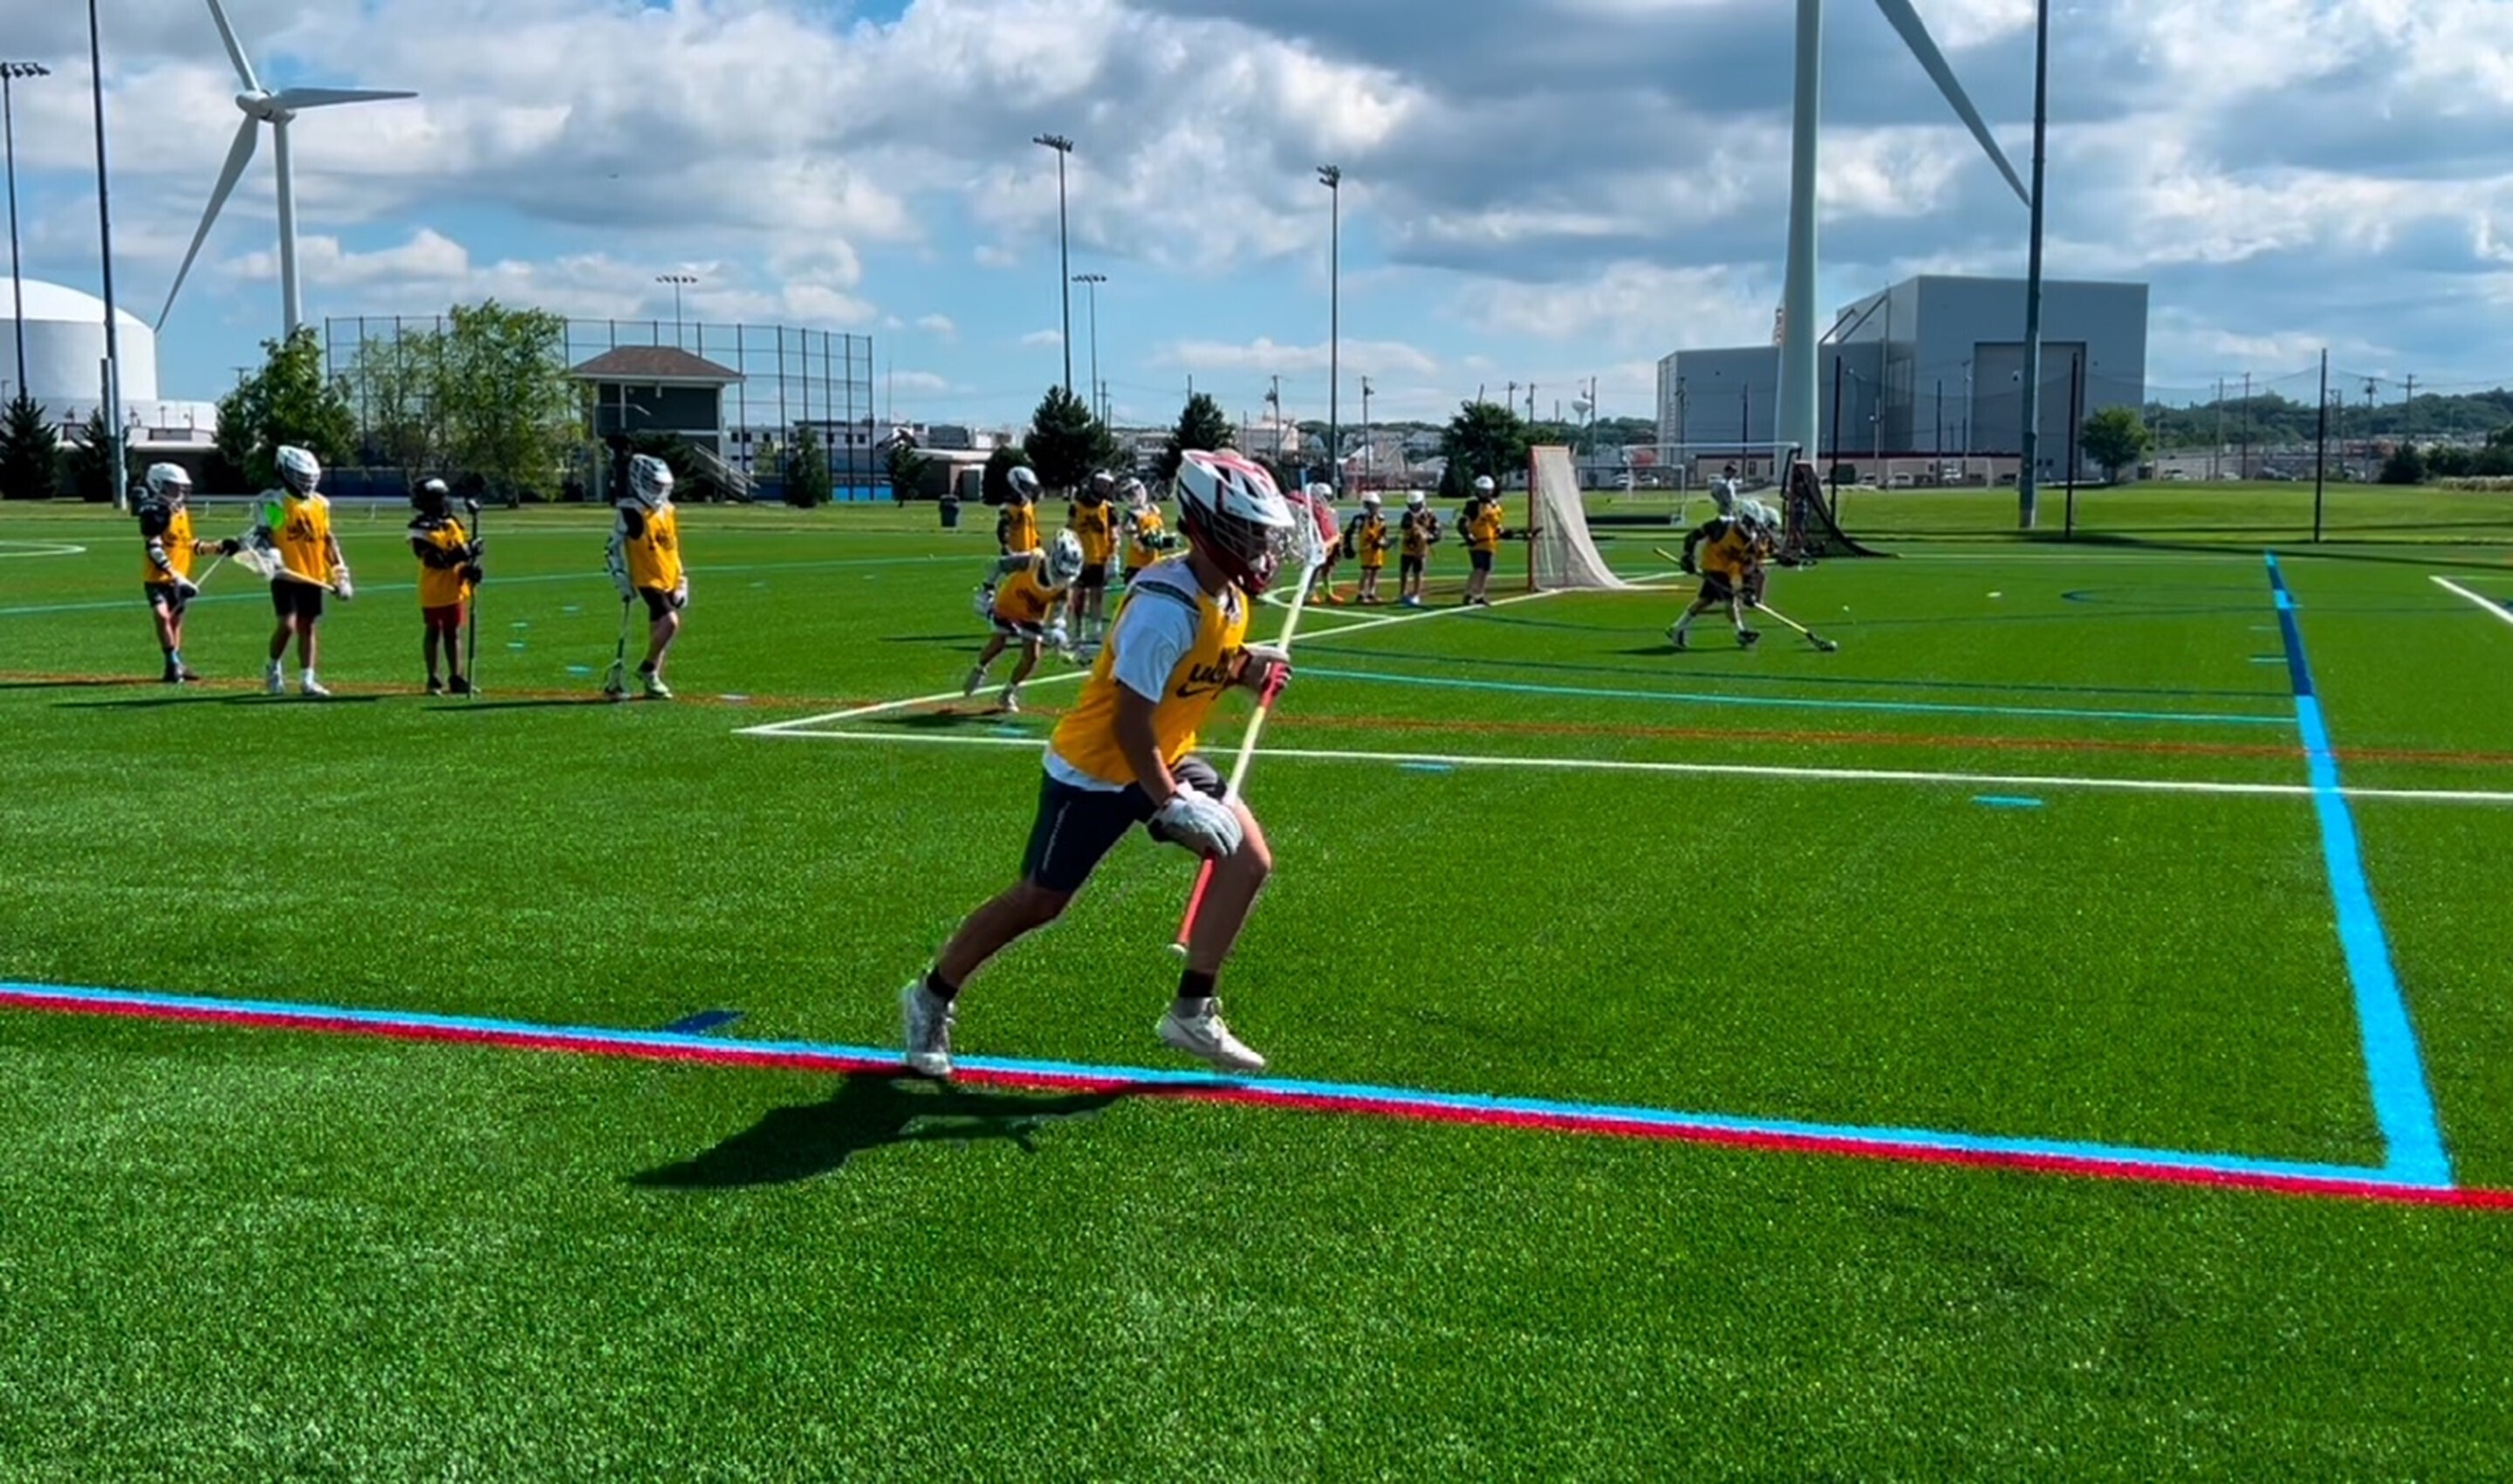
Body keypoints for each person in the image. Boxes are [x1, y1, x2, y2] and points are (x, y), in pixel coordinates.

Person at [901, 448, 1298, 1079]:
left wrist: (1247, 667)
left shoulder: (1226, 598)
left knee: (1249, 859)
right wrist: (1171, 804)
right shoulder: (1165, 608)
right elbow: (1128, 720)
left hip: (1164, 756)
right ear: (1206, 526)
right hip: (1098, 768)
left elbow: (1201, 669)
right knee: (1040, 900)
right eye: (1247, 532)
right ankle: (930, 994)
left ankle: (1192, 1009)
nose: (1259, 547)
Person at [254, 446, 352, 698]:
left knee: (307, 626)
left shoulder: (320, 504)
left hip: (313, 575)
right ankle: (273, 667)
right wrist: (272, 554)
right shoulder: (275, 502)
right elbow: (264, 535)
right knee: (287, 625)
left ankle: (308, 680)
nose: (307, 482)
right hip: (286, 574)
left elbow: (328, 540)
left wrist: (340, 575)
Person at [964, 530, 1085, 714]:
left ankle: (1008, 693)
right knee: (998, 642)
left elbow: (1058, 613)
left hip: (1033, 615)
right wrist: (987, 589)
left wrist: (1056, 630)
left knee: (1032, 656)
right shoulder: (1032, 560)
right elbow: (999, 565)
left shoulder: (1064, 586)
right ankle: (980, 668)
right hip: (1008, 604)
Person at [134, 463, 230, 684]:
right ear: (160, 486)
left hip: (180, 579)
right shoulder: (155, 513)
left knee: (175, 622)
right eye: (174, 487)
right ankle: (171, 661)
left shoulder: (181, 512)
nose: (179, 492)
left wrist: (218, 546)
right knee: (161, 616)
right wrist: (175, 575)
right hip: (158, 578)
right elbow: (154, 549)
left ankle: (176, 663)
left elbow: (190, 545)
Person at [606, 454, 688, 700]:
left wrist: (682, 580)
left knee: (657, 632)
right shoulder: (632, 513)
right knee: (670, 623)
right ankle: (648, 668)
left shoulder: (668, 511)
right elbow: (612, 546)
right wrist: (619, 576)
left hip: (668, 577)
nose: (660, 491)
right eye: (656, 486)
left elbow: (672, 548)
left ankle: (653, 681)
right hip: (647, 578)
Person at [407, 478, 483, 695]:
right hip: (434, 589)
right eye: (439, 498)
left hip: (455, 588)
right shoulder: (419, 529)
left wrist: (471, 569)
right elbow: (436, 561)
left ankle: (457, 678)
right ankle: (433, 679)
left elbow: (461, 555)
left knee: (454, 632)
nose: (444, 502)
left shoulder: (452, 523)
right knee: (434, 631)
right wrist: (466, 551)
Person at [1673, 498, 1777, 651]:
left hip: (1728, 570)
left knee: (1705, 600)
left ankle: (1677, 627)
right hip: (1714, 567)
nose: (1751, 527)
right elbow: (1692, 537)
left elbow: (1749, 566)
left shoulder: (1751, 539)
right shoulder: (1720, 526)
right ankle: (1740, 632)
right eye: (1749, 522)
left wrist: (1748, 590)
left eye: (1753, 523)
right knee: (1730, 600)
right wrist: (1688, 556)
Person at [1065, 470, 1120, 644]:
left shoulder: (1108, 508)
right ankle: (1077, 630)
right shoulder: (1077, 506)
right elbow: (1070, 529)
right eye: (1100, 484)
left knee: (1097, 596)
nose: (1103, 488)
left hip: (1100, 558)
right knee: (1078, 597)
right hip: (1080, 558)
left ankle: (1095, 631)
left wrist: (1114, 556)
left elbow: (1114, 533)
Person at [1460, 475, 1505, 606]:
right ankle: (1468, 594)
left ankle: (1479, 594)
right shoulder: (1473, 505)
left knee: (1486, 569)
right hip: (1477, 542)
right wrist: (1468, 536)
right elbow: (1463, 523)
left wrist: (1501, 531)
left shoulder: (1494, 505)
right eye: (1482, 491)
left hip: (1490, 542)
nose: (1484, 494)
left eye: (1486, 491)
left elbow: (1496, 524)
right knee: (1478, 568)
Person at [1119, 477, 1171, 586]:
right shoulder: (1130, 515)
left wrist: (1164, 540)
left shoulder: (1153, 509)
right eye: (1130, 492)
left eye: (1137, 488)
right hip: (1137, 565)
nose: (1135, 493)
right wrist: (1148, 543)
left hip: (1155, 563)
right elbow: (1136, 541)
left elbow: (1160, 530)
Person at [1299, 482, 1346, 605]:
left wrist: (1338, 538)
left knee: (1328, 569)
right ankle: (1310, 593)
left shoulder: (1332, 511)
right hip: (1319, 544)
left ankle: (1328, 592)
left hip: (1333, 542)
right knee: (1314, 569)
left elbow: (1335, 527)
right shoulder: (1312, 512)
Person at [1397, 489, 1441, 607]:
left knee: (1418, 571)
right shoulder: (1407, 516)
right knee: (1404, 571)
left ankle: (1416, 593)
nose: (1415, 508)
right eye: (1412, 505)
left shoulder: (1429, 515)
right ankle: (1402, 593)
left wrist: (1430, 537)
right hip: (1407, 548)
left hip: (1421, 550)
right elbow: (1405, 527)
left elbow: (1437, 531)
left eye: (1417, 505)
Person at [1345, 489, 1390, 605]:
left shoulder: (1380, 519)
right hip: (1365, 548)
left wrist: (1383, 542)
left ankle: (1371, 593)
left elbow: (1383, 534)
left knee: (1375, 571)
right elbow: (1350, 532)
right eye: (1373, 506)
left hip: (1376, 549)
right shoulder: (1360, 519)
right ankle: (1360, 594)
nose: (1375, 508)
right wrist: (1349, 546)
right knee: (1366, 571)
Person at [996, 466, 1043, 556]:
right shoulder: (1012, 505)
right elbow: (1003, 527)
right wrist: (1006, 547)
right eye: (1026, 485)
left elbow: (1032, 529)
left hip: (1031, 553)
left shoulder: (1028, 504)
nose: (1029, 489)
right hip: (1017, 554)